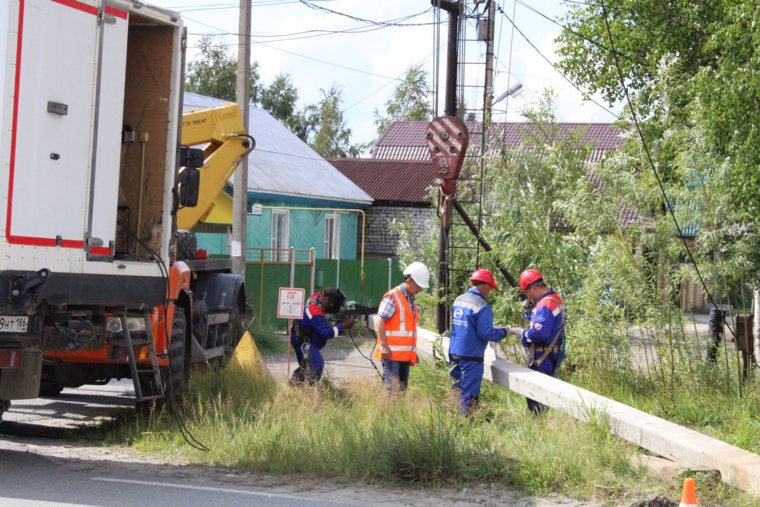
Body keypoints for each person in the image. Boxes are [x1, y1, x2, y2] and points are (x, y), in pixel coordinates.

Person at [506, 269, 566, 415]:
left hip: (542, 357)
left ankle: (539, 426)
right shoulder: (553, 298)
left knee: (536, 397)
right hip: (549, 354)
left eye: (527, 292)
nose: (527, 296)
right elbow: (545, 324)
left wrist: (522, 332)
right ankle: (541, 424)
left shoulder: (545, 305)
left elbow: (539, 333)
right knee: (542, 396)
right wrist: (530, 311)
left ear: (533, 288)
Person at [448, 269, 508, 415]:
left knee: (456, 390)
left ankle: (454, 420)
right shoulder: (481, 305)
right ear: (485, 285)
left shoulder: (459, 299)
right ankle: (466, 425)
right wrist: (505, 331)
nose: (490, 292)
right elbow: (486, 332)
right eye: (490, 289)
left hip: (454, 353)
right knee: (469, 394)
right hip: (471, 357)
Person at [372, 261, 429, 391]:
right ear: (409, 280)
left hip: (404, 356)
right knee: (392, 392)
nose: (420, 290)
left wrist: (412, 352)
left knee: (401, 392)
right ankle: (389, 412)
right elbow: (379, 321)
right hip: (391, 355)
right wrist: (384, 347)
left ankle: (396, 412)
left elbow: (408, 330)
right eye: (419, 286)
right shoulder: (393, 296)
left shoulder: (410, 301)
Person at [290, 287, 355, 383]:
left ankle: (296, 384)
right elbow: (326, 333)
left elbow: (330, 301)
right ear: (327, 299)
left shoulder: (318, 296)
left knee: (306, 365)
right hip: (302, 341)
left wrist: (343, 307)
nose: (336, 306)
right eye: (334, 303)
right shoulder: (315, 313)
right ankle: (310, 388)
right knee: (316, 364)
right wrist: (343, 326)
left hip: (308, 338)